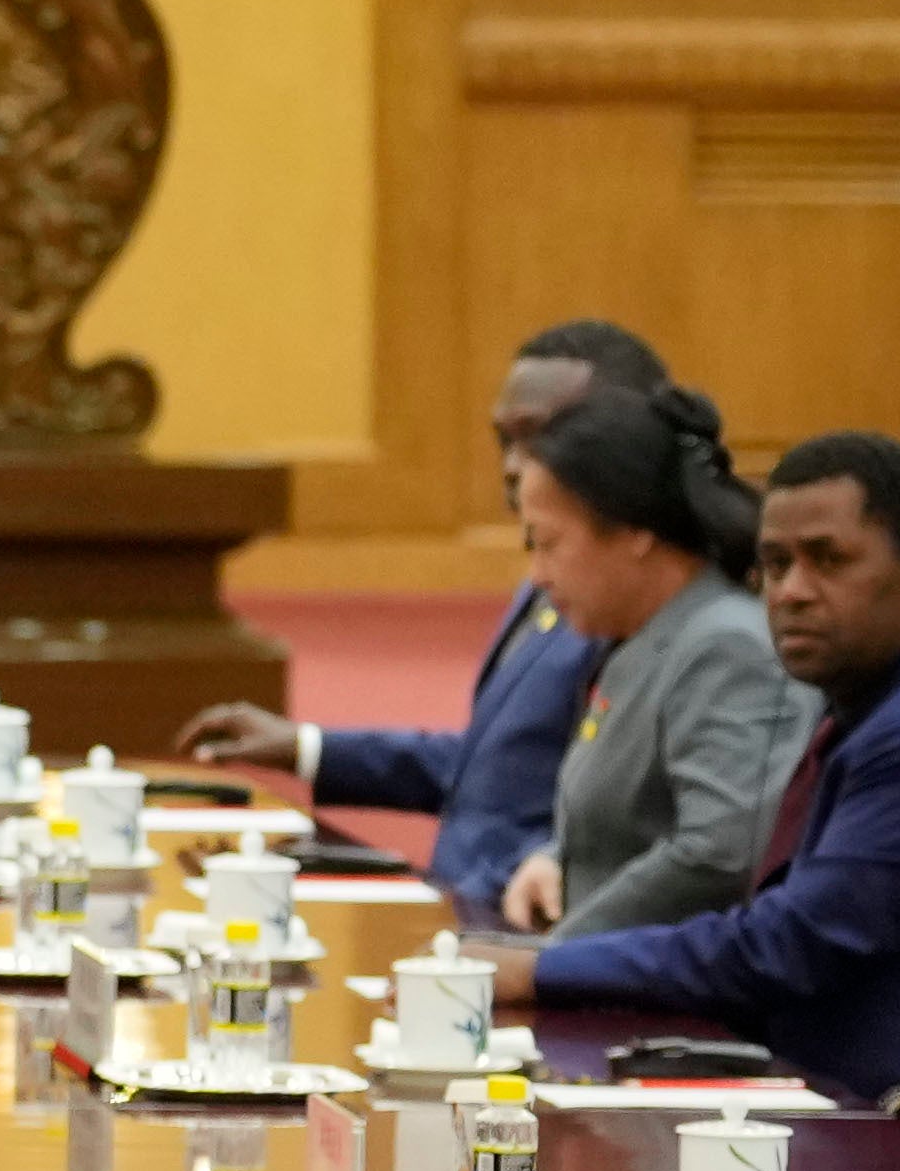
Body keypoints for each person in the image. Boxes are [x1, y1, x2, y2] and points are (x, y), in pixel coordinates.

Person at [526, 431, 900, 1100]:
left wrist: (543, 970)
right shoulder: (888, 687)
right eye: (775, 564)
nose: (791, 592)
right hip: (823, 1089)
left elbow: (782, 948)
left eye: (827, 561)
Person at [185, 316, 667, 899]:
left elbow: (633, 821)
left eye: (539, 438)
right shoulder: (549, 575)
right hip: (452, 918)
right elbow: (496, 769)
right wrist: (308, 748)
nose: (514, 465)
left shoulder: (632, 599)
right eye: (504, 440)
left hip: (521, 931)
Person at [499, 379, 799, 941]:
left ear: (635, 530)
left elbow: (721, 853)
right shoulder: (642, 637)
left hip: (681, 1008)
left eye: (547, 542)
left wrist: (553, 959)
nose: (537, 576)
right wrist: (554, 858)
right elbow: (627, 822)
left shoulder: (727, 647)